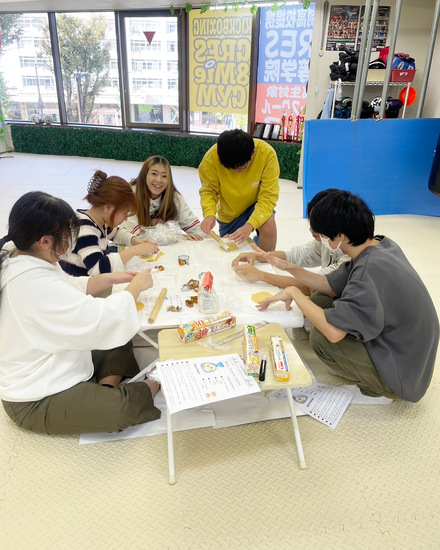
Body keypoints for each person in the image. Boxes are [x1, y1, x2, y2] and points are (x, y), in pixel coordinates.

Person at [0, 191, 161, 435]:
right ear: (45, 242)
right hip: (35, 395)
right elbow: (97, 320)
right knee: (118, 408)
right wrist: (135, 288)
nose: (70, 243)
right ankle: (154, 380)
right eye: (67, 237)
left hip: (57, 357)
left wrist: (111, 278)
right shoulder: (32, 283)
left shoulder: (21, 255)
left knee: (120, 335)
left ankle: (103, 390)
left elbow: (69, 285)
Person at [257, 190, 439, 402]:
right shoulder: (380, 245)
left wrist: (294, 293)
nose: (321, 240)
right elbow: (329, 285)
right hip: (408, 347)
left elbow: (334, 333)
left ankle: (377, 389)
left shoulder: (366, 273)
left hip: (402, 372)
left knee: (323, 339)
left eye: (323, 236)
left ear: (340, 236)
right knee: (321, 299)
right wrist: (288, 267)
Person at [231, 189, 350, 294]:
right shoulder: (328, 240)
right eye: (311, 222)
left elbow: (316, 285)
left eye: (317, 224)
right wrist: (258, 256)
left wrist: (262, 276)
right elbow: (300, 255)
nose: (311, 229)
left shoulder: (350, 256)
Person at [60, 170, 160, 277]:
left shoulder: (100, 220)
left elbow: (116, 233)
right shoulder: (85, 229)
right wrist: (134, 251)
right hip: (75, 282)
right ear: (108, 208)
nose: (126, 219)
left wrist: (136, 241)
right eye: (125, 213)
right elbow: (98, 269)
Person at [198, 129, 280, 251]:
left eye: (241, 167)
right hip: (229, 213)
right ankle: (256, 244)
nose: (236, 172)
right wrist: (209, 214)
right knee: (231, 249)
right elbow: (209, 191)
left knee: (268, 225)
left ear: (252, 153)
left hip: (255, 204)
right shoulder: (210, 158)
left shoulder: (266, 153)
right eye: (231, 168)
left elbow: (268, 196)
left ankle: (266, 260)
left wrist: (250, 225)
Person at [118, 156, 204, 241]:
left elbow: (194, 227)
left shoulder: (174, 198)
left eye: (164, 176)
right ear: (144, 175)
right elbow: (125, 234)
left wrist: (208, 229)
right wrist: (173, 234)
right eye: (154, 174)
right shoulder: (131, 195)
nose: (159, 180)